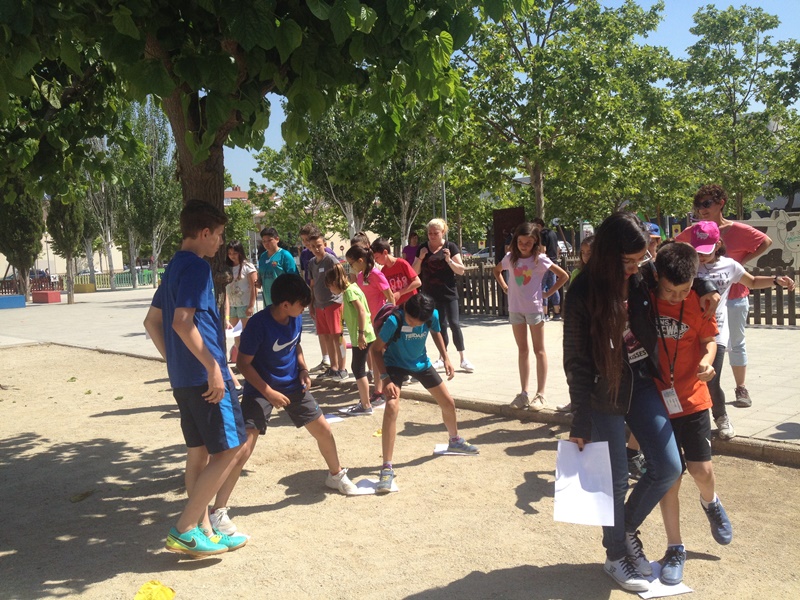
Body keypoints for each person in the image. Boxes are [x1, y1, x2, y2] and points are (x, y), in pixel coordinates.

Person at [563, 212, 683, 593]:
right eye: (627, 261)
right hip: (604, 393)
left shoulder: (643, 277)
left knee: (669, 465)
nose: (634, 267)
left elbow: (685, 273)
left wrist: (709, 284)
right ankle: (616, 555)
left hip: (641, 381)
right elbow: (576, 361)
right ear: (608, 254)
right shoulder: (583, 291)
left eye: (639, 259)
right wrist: (580, 420)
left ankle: (624, 529)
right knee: (614, 481)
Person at [142, 199, 250, 557]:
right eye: (218, 235)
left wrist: (175, 361)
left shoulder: (173, 266)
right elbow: (181, 321)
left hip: (184, 377)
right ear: (204, 233)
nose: (220, 242)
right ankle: (186, 527)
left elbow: (151, 322)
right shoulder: (196, 267)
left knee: (199, 452)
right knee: (231, 448)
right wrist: (213, 367)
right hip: (204, 377)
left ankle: (205, 530)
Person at [220, 273, 358, 508]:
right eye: (301, 304)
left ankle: (336, 475)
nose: (304, 309)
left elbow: (296, 345)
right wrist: (268, 392)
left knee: (324, 430)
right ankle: (219, 508)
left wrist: (303, 369)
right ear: (285, 304)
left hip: (293, 384)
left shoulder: (294, 318)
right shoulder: (258, 324)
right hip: (261, 389)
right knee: (244, 448)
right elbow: (243, 364)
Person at [650, 241, 732, 586]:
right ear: (658, 279)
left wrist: (708, 361)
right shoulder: (645, 298)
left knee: (702, 470)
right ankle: (675, 547)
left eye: (683, 290)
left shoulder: (699, 300)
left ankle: (711, 503)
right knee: (670, 476)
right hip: (656, 402)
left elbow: (709, 340)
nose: (675, 297)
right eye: (669, 291)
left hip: (693, 398)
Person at [687, 221, 795, 440]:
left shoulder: (730, 266)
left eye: (706, 250)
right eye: (698, 250)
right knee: (688, 378)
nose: (701, 256)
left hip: (716, 332)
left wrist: (776, 280)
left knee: (710, 378)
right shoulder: (688, 265)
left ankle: (721, 417)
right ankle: (690, 422)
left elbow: (752, 282)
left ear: (718, 244)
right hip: (688, 331)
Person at [370, 293, 479, 493]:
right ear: (406, 310)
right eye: (412, 321)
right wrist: (385, 379)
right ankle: (386, 467)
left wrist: (445, 357)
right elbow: (375, 350)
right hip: (394, 365)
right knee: (391, 407)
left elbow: (436, 332)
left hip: (421, 363)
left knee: (448, 402)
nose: (416, 325)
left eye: (420, 322)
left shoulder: (431, 315)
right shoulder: (394, 320)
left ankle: (455, 440)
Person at [676, 184, 772, 408]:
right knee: (708, 345)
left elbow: (765, 241)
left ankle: (741, 388)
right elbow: (674, 245)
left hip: (735, 294)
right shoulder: (696, 231)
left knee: (736, 343)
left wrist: (740, 262)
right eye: (698, 205)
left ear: (721, 203)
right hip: (706, 300)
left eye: (706, 203)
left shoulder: (738, 229)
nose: (701, 209)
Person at [493, 222, 568, 411]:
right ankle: (524, 393)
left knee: (539, 350)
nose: (523, 246)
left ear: (535, 242)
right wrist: (505, 287)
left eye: (528, 242)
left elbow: (563, 276)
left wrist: (548, 293)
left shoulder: (540, 259)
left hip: (534, 309)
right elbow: (496, 271)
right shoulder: (510, 257)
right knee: (522, 350)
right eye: (520, 242)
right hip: (515, 309)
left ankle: (541, 394)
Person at [412, 218, 475, 372]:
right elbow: (414, 272)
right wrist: (420, 257)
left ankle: (463, 358)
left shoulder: (450, 247)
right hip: (430, 294)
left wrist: (449, 261)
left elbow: (461, 270)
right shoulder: (422, 248)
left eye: (436, 233)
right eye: (430, 233)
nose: (432, 236)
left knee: (454, 323)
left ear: (443, 232)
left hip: (449, 292)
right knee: (440, 326)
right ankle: (442, 358)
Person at [324, 263, 378, 415]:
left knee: (358, 369)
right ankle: (365, 402)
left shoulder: (349, 292)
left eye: (330, 287)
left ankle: (366, 405)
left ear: (334, 283)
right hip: (365, 333)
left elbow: (361, 311)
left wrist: (360, 334)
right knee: (358, 368)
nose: (330, 291)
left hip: (362, 335)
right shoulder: (354, 288)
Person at [346, 244, 395, 406]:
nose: (351, 267)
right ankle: (377, 389)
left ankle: (380, 391)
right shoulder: (360, 276)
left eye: (351, 263)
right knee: (373, 357)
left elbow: (390, 297)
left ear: (360, 260)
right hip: (368, 323)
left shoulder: (376, 274)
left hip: (379, 322)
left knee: (378, 356)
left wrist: (390, 319)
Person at [307, 230, 347, 380]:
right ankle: (333, 367)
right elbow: (312, 285)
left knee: (338, 337)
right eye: (312, 246)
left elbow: (342, 278)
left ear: (324, 244)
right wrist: (311, 304)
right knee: (327, 337)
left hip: (333, 303)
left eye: (318, 245)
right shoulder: (311, 263)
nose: (316, 249)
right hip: (319, 305)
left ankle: (342, 368)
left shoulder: (331, 260)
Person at [299, 223, 338, 373]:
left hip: (331, 301)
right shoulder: (306, 256)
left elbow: (339, 277)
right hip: (317, 300)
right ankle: (326, 360)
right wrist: (310, 301)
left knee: (334, 334)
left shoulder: (329, 255)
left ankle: (337, 366)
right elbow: (308, 279)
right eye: (303, 240)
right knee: (322, 332)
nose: (306, 244)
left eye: (307, 240)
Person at [224, 240, 257, 363]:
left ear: (240, 252)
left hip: (245, 304)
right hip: (232, 305)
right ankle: (241, 361)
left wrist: (251, 305)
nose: (232, 256)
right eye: (229, 253)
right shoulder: (227, 268)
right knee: (236, 335)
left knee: (247, 335)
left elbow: (254, 287)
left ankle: (252, 361)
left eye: (235, 253)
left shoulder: (248, 267)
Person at [371, 237, 421, 306]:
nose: (375, 261)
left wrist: (400, 293)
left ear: (385, 252)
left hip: (411, 304)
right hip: (398, 307)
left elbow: (418, 282)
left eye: (377, 257)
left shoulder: (402, 263)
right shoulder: (383, 271)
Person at [257, 227, 298, 307]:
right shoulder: (262, 257)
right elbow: (261, 276)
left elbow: (294, 279)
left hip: (283, 300)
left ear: (277, 239)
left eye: (269, 240)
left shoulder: (285, 255)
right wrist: (258, 282)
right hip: (268, 301)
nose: (266, 243)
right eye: (264, 241)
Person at [532, 217, 562, 320]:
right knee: (553, 287)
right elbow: (557, 249)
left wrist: (538, 260)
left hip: (544, 263)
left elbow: (543, 249)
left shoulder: (542, 234)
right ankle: (557, 313)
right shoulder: (552, 233)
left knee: (542, 287)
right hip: (553, 262)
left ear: (539, 225)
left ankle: (545, 314)